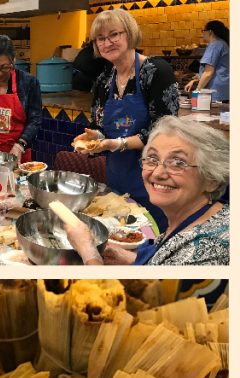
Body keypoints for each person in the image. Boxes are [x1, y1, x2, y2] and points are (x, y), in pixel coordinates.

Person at [64, 116, 229, 265]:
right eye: (152, 158)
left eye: (178, 162)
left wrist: (89, 253)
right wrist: (134, 259)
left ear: (212, 180)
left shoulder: (205, 251)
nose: (158, 173)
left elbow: (107, 294)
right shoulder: (191, 220)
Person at [72, 9, 179, 233]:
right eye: (100, 38)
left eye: (114, 34)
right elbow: (101, 128)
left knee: (154, 238)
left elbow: (165, 130)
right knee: (126, 240)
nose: (107, 42)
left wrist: (118, 144)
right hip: (118, 177)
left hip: (155, 179)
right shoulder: (103, 80)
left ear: (129, 34)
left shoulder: (156, 72)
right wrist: (94, 138)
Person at [183, 20, 230, 102]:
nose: (202, 33)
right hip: (224, 91)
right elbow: (218, 69)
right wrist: (195, 80)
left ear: (210, 32)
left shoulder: (215, 45)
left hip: (216, 92)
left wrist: (197, 91)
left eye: (203, 31)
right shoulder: (222, 44)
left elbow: (208, 72)